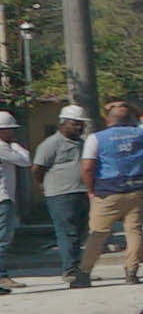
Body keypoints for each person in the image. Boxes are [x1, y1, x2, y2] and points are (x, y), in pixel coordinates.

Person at [77, 98, 143, 286]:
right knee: (134, 231)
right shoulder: (142, 133)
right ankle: (131, 272)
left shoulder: (96, 138)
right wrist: (127, 105)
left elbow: (87, 167)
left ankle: (84, 273)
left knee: (98, 233)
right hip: (137, 189)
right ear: (130, 117)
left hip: (107, 191)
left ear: (107, 119)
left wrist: (90, 190)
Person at [37, 104, 90, 281]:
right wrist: (42, 185)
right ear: (63, 123)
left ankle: (77, 267)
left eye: (81, 124)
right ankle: (69, 270)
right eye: (75, 123)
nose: (80, 127)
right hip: (60, 194)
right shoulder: (51, 143)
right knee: (68, 232)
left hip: (82, 192)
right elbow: (38, 167)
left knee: (80, 232)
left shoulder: (83, 143)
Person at [0, 109, 26, 292]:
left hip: (4, 197)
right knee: (2, 240)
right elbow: (25, 160)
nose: (13, 133)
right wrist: (15, 145)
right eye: (10, 129)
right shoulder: (2, 147)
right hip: (3, 198)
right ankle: (1, 277)